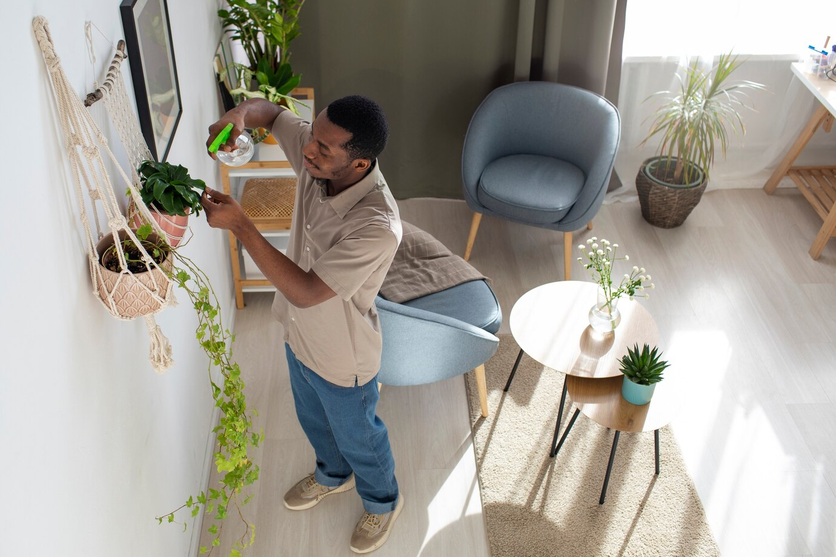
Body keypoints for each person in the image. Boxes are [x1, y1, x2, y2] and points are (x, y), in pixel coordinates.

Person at [201, 95, 403, 554]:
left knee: (361, 437)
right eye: (312, 137)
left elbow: (309, 291)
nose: (308, 149)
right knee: (313, 419)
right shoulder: (320, 156)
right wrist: (237, 116)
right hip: (298, 336)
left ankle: (383, 499)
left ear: (359, 164)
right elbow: (270, 113)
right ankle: (332, 474)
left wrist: (241, 226)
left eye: (323, 149)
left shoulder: (377, 225)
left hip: (342, 356)